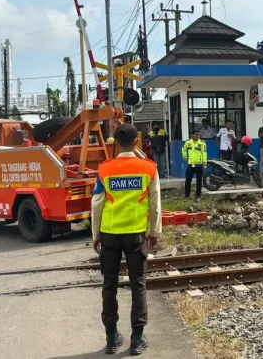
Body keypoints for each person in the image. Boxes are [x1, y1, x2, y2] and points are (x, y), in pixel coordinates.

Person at [91, 123, 162, 356]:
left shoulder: (104, 169)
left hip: (110, 235)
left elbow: (97, 205)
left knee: (109, 285)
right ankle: (137, 339)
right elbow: (155, 204)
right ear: (136, 142)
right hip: (135, 235)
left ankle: (112, 339)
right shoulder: (148, 168)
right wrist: (154, 232)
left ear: (114, 142)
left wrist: (95, 235)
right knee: (137, 285)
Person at [182, 129, 207, 202]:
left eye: (199, 134)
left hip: (199, 165)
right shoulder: (188, 142)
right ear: (193, 135)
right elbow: (183, 150)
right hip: (190, 165)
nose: (198, 136)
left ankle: (198, 196)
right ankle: (187, 196)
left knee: (199, 181)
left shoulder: (202, 143)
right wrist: (185, 157)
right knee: (187, 181)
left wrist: (204, 163)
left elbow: (204, 153)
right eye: (196, 134)